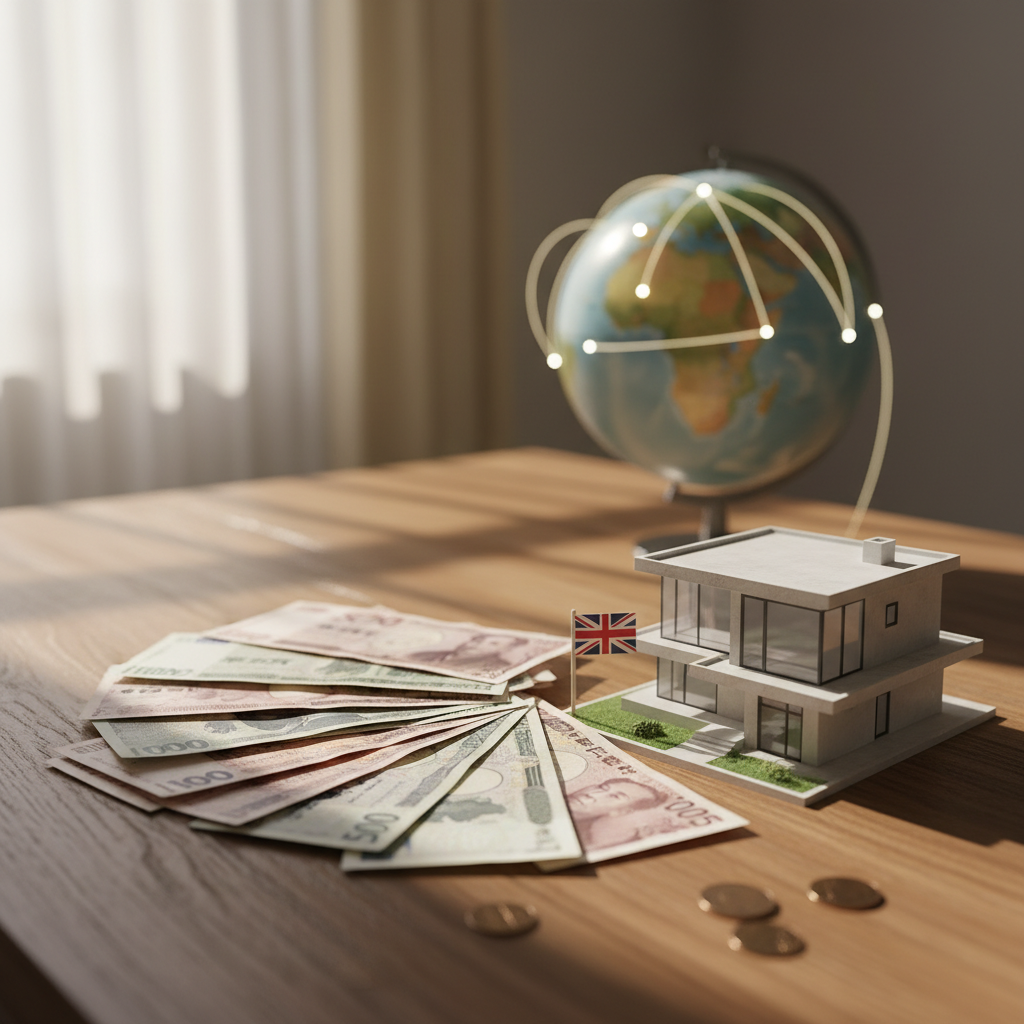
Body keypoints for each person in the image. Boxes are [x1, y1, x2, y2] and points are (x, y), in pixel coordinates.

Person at [567, 777, 668, 850]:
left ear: (620, 812)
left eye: (615, 797)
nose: (593, 794)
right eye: (602, 788)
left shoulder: (581, 841)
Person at [411, 633, 530, 675]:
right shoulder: (419, 655)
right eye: (477, 640)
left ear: (503, 650)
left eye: (493, 644)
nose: (476, 645)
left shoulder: (497, 668)